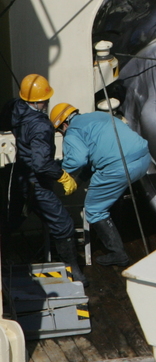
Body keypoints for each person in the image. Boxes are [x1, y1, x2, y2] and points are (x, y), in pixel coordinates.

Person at [2, 74, 85, 284]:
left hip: (17, 176)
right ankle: (74, 271)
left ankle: (4, 261)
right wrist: (62, 176)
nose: (48, 103)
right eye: (46, 100)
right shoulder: (41, 126)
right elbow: (41, 164)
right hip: (35, 182)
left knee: (12, 220)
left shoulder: (14, 108)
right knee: (64, 224)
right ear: (38, 102)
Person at [51, 102, 150, 267]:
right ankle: (111, 232)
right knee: (112, 196)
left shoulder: (72, 132)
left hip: (118, 167)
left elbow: (78, 159)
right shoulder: (97, 116)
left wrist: (59, 172)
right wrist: (79, 180)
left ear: (64, 125)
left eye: (60, 130)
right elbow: (92, 159)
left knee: (94, 209)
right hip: (143, 159)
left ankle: (118, 253)